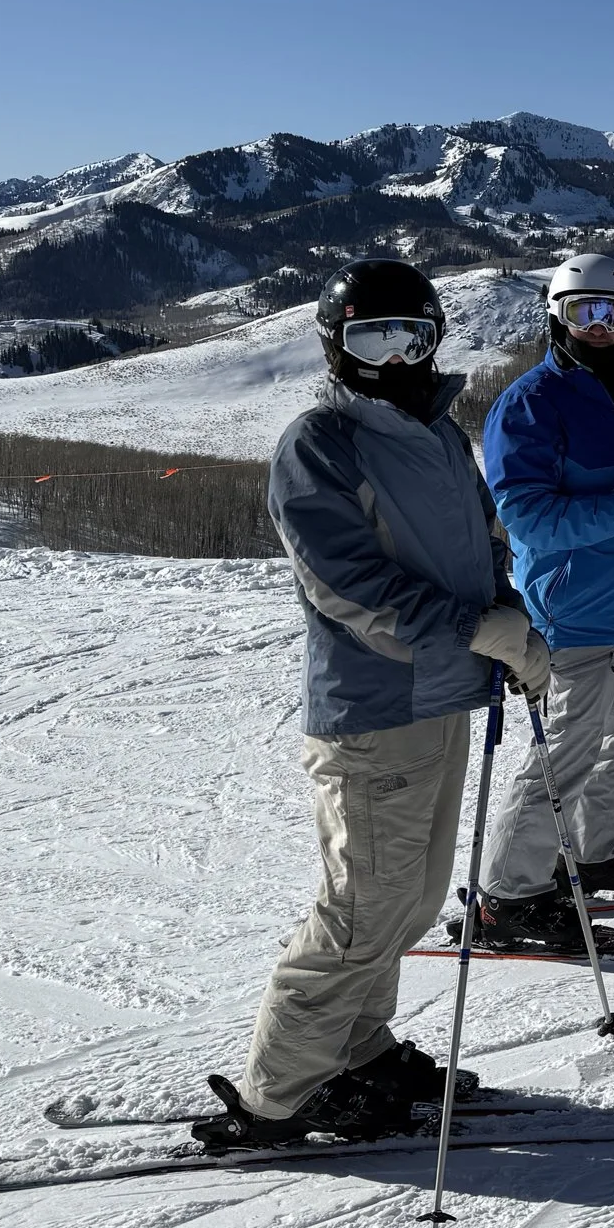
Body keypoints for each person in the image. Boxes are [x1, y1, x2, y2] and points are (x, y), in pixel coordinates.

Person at [194, 260, 553, 1151]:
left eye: (411, 337)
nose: (393, 356)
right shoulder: (319, 443)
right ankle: (281, 1090)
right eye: (370, 337)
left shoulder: (438, 433)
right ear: (335, 346)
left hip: (439, 700)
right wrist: (478, 628)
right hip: (373, 709)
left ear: (434, 339)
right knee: (360, 912)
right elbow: (351, 587)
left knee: (410, 903)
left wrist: (505, 616)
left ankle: (356, 1050)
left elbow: (475, 549)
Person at [457, 253, 614, 952]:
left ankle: (595, 851)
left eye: (613, 313)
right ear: (556, 316)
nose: (598, 327)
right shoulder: (530, 404)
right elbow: (528, 517)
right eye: (582, 312)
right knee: (563, 757)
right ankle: (506, 894)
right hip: (569, 615)